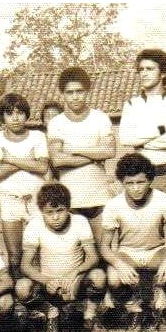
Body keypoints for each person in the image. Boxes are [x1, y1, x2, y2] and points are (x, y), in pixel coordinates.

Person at [100, 153, 166, 332]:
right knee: (114, 277)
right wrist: (118, 263)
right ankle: (134, 308)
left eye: (140, 182)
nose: (136, 188)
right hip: (128, 252)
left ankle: (161, 299)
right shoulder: (114, 205)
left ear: (150, 180)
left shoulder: (164, 200)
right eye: (129, 183)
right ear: (122, 183)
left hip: (156, 251)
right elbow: (104, 247)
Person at [15, 183, 107, 332]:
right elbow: (25, 265)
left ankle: (90, 316)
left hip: (75, 281)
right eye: (49, 212)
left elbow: (93, 257)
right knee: (22, 288)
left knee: (98, 276)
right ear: (42, 211)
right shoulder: (34, 225)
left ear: (68, 208)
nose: (56, 217)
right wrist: (46, 280)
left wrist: (76, 274)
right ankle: (51, 313)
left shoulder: (79, 221)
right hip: (49, 284)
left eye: (60, 210)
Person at [118, 49, 166, 232]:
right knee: (148, 236)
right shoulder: (131, 104)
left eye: (150, 69)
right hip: (144, 178)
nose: (144, 73)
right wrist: (160, 130)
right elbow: (125, 137)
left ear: (164, 72)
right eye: (141, 69)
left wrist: (142, 142)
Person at [47, 67, 116, 240]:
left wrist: (75, 150)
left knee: (103, 254)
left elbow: (110, 150)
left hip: (100, 198)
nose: (75, 96)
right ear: (63, 94)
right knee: (75, 255)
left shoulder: (100, 118)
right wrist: (94, 157)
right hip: (70, 201)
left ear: (87, 92)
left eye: (79, 91)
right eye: (70, 92)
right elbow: (57, 160)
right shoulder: (56, 123)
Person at [0, 93, 49, 280]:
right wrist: (28, 160)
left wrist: (10, 158)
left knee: (39, 252)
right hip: (11, 201)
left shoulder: (38, 136)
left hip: (36, 201)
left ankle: (41, 299)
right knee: (14, 256)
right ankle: (18, 300)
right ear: (2, 117)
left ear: (26, 114)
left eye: (20, 113)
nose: (15, 118)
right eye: (9, 113)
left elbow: (42, 166)